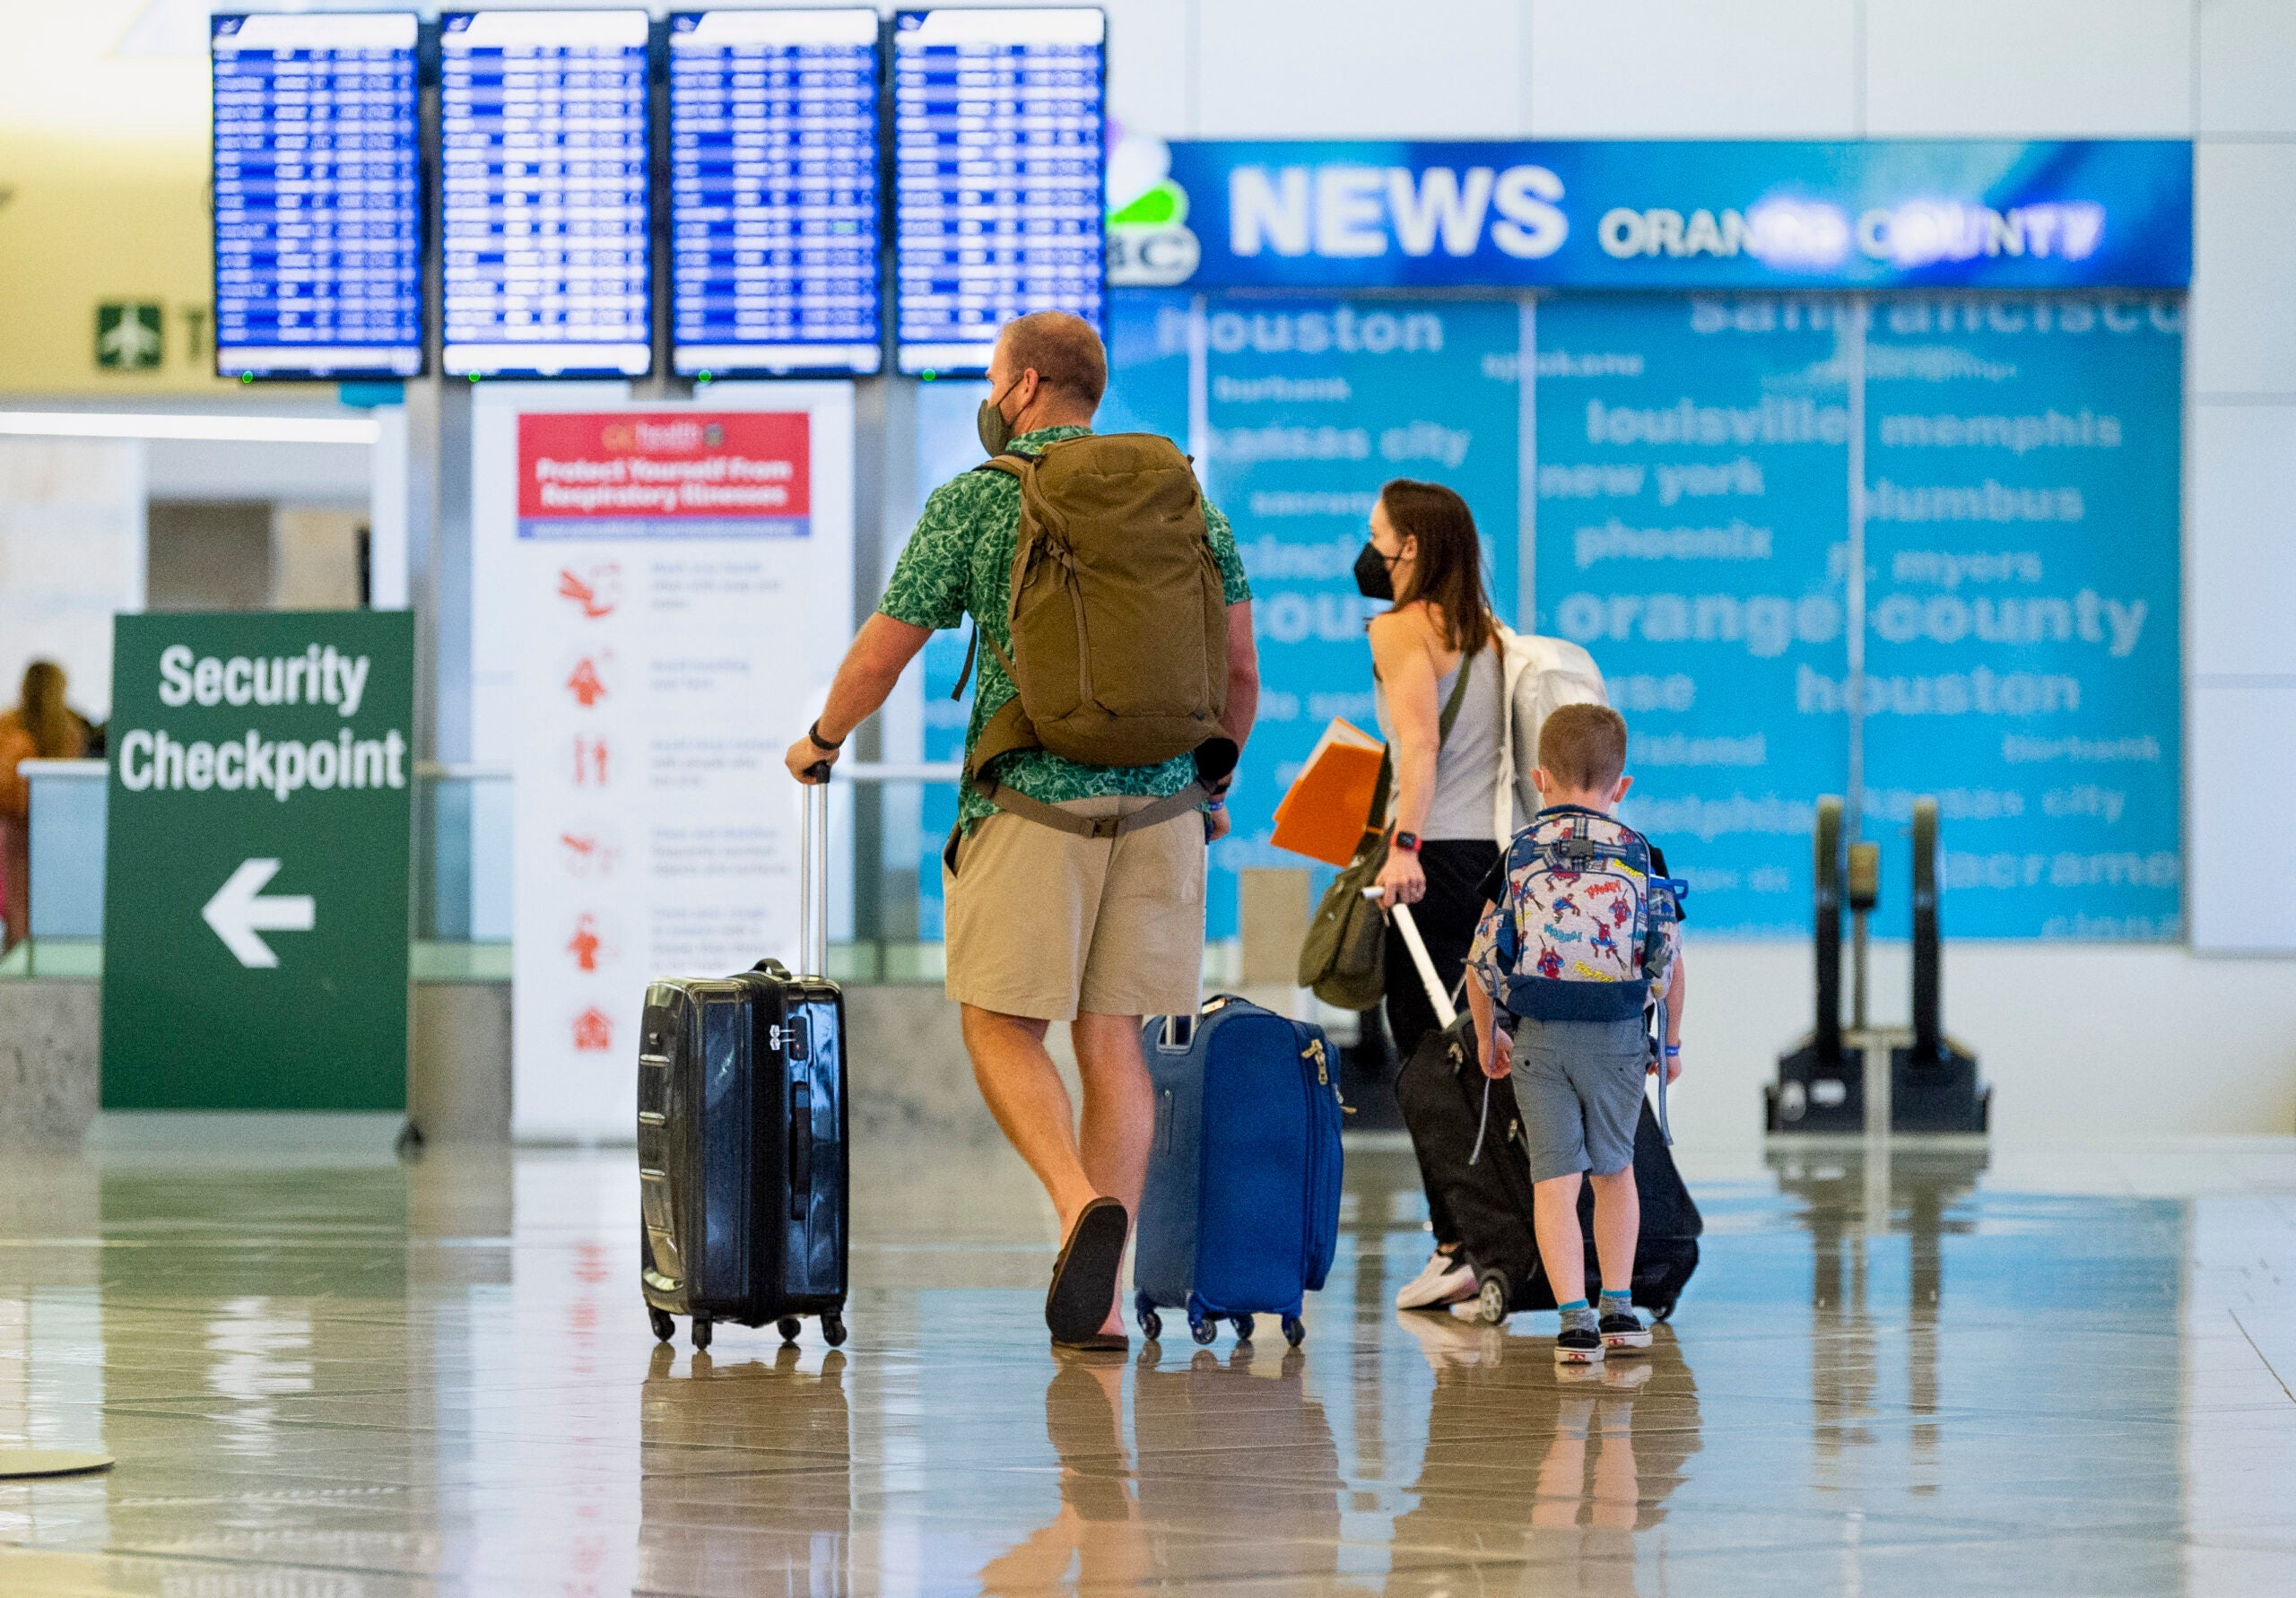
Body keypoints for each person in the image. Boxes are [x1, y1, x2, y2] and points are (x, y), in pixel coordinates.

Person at [782, 311, 1257, 1352]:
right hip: (1167, 810)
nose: (991, 397)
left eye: (996, 379)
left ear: (1030, 386)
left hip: (1031, 802)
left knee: (1001, 1025)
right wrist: (1212, 781)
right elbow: (1237, 674)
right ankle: (1103, 1290)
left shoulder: (979, 500)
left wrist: (821, 738)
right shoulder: (1189, 503)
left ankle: (1074, 1203)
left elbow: (885, 650)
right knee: (1113, 1041)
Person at [1465, 703, 1687, 1365]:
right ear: (1621, 787)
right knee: (1616, 1174)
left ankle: (1573, 1323)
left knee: (1554, 1182)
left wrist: (1488, 1038)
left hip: (1539, 1038)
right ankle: (1619, 1309)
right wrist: (1669, 1046)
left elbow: (1482, 963)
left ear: (1539, 778)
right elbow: (1672, 963)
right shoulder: (1642, 854)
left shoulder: (1520, 855)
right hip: (1619, 1036)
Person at [1357, 480, 1509, 1314]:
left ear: (1409, 547)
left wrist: (1402, 845)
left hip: (1428, 864)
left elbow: (1418, 747)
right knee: (1477, 1053)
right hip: (1484, 862)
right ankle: (1490, 1232)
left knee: (1424, 1059)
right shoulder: (1489, 636)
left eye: (1378, 534)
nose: (1369, 549)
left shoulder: (1397, 630)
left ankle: (1457, 1242)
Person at [0, 660, 89, 952]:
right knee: (48, 891)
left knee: (16, 894)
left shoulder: (9, 725)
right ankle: (43, 950)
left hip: (14, 822)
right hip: (53, 825)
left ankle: (19, 950)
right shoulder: (68, 730)